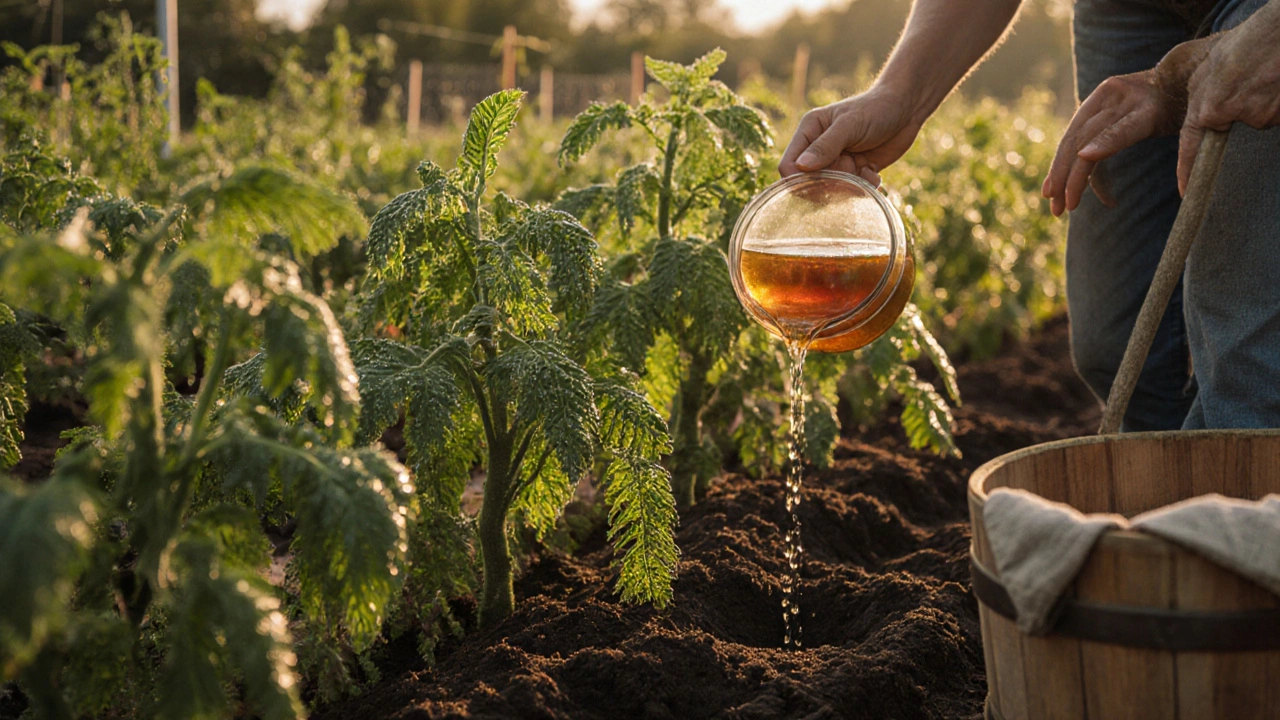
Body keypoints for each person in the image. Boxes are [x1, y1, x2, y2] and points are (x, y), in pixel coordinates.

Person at [780, 0, 1280, 431]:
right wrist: (900, 96)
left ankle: (1244, 519)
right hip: (1130, 12)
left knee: (1244, 358)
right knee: (1117, 347)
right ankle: (1167, 519)